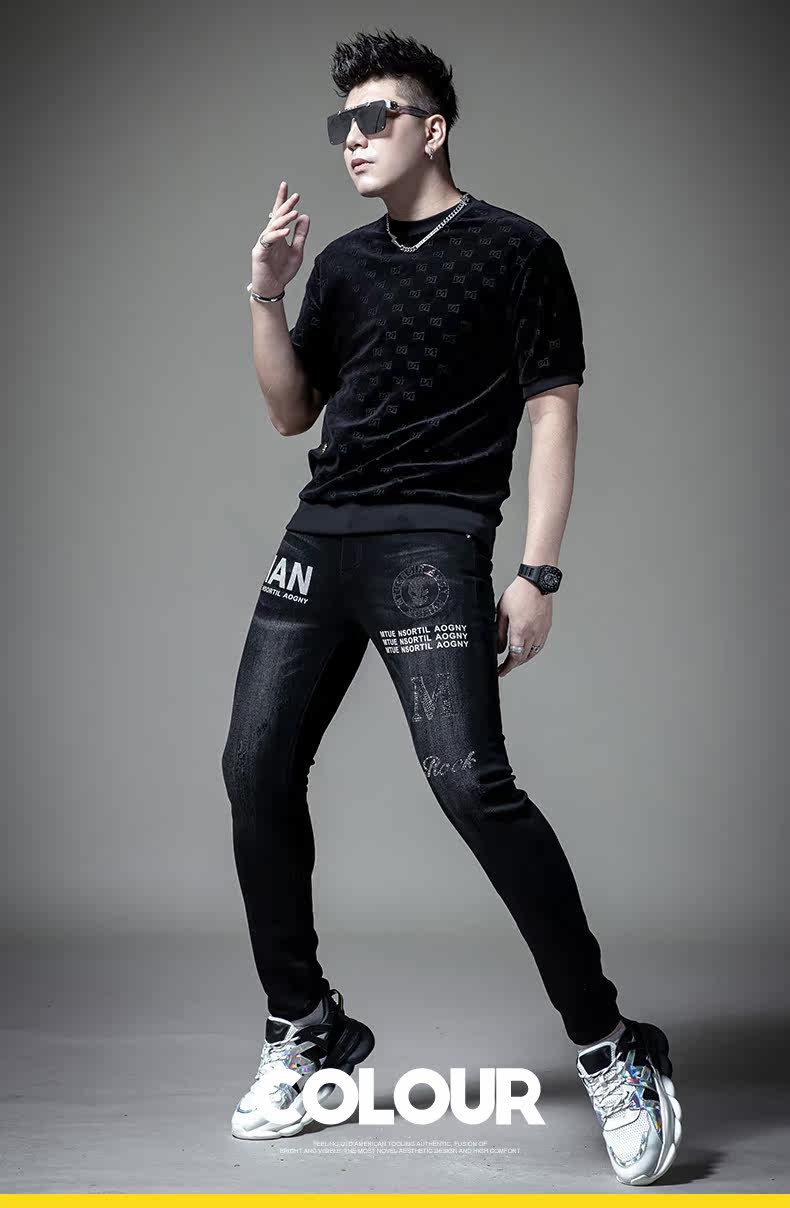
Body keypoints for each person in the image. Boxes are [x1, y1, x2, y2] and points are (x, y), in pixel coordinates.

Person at [222, 27, 682, 1185]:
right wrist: (267, 294)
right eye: (340, 123)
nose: (351, 139)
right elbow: (290, 413)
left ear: (432, 129)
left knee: (471, 784)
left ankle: (609, 1042)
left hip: (433, 544)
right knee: (254, 769)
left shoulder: (516, 250)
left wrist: (537, 571)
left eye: (373, 118)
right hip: (320, 538)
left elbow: (553, 410)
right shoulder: (342, 264)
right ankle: (304, 1025)